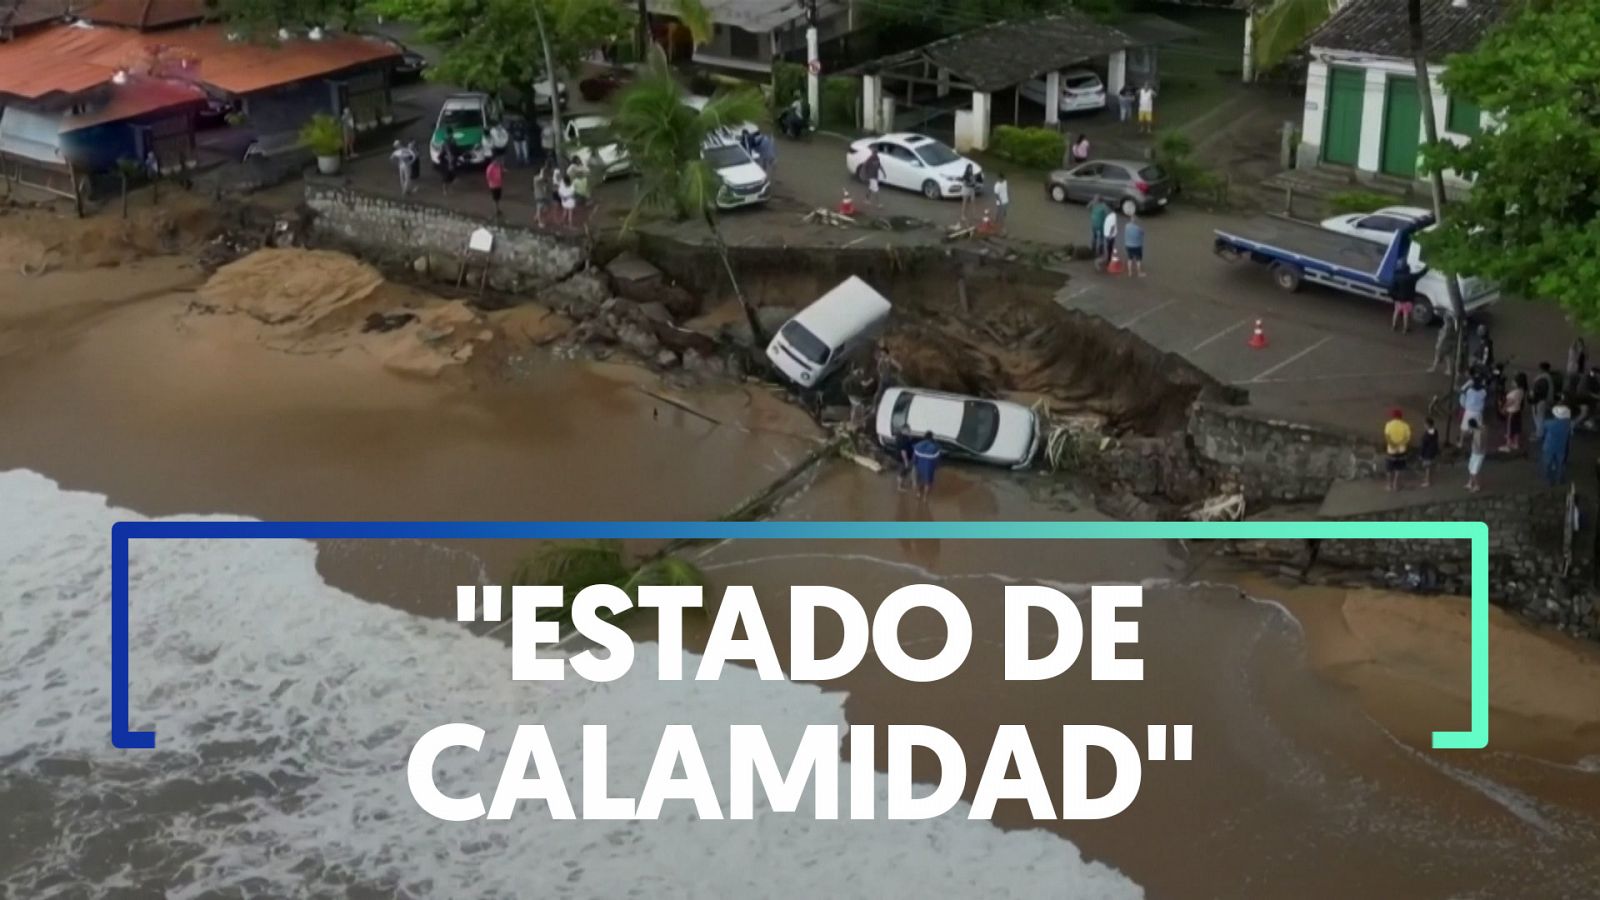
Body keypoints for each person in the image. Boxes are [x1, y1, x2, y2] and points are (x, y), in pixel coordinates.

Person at [1541, 401, 1573, 485]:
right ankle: (1560, 479)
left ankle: (1550, 480)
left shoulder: (1549, 423)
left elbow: (1543, 429)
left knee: (1548, 463)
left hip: (1549, 447)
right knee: (1560, 464)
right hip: (1561, 447)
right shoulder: (1568, 424)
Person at [1382, 408, 1411, 492]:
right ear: (1401, 417)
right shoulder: (1406, 425)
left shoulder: (1388, 424)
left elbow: (1387, 437)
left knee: (1389, 468)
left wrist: (1392, 444)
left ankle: (1389, 485)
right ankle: (1396, 485)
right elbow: (1407, 438)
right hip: (1402, 450)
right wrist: (1400, 444)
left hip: (1391, 450)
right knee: (1399, 468)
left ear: (1393, 416)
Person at [1500, 371, 1527, 453]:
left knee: (1509, 429)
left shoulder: (1514, 393)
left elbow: (1510, 402)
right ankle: (1516, 443)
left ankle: (1508, 445)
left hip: (1511, 412)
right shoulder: (1521, 391)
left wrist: (1503, 408)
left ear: (1517, 383)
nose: (1512, 382)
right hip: (1517, 411)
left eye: (1514, 381)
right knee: (1516, 429)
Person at [912, 431, 942, 501]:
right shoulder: (935, 448)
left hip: (919, 467)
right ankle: (925, 497)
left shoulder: (917, 446)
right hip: (929, 469)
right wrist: (936, 467)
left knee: (919, 481)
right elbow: (937, 461)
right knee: (927, 483)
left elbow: (914, 459)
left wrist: (914, 465)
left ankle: (918, 493)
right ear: (931, 438)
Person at [1458, 376, 1487, 447]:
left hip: (1469, 411)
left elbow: (1462, 391)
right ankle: (1475, 444)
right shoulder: (1483, 392)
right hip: (1478, 412)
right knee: (1477, 429)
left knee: (1464, 428)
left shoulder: (1469, 391)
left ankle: (1461, 443)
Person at [1390, 262, 1418, 333]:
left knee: (1396, 312)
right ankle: (1405, 328)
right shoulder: (1412, 277)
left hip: (1398, 299)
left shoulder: (1397, 277)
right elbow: (1421, 273)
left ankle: (1394, 326)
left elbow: (1392, 289)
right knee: (1406, 314)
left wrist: (1394, 298)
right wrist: (1427, 267)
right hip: (1408, 300)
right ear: (1408, 270)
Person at [1531, 361, 1555, 440]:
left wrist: (1533, 396)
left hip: (1539, 401)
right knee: (1540, 418)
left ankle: (1539, 435)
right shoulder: (1548, 377)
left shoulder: (1543, 378)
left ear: (1541, 368)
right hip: (1543, 400)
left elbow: (1539, 391)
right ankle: (1539, 432)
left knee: (1539, 418)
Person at [1464, 417, 1486, 492]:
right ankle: (1470, 482)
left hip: (1478, 454)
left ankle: (1477, 486)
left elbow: (1479, 446)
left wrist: (1472, 440)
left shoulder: (1477, 434)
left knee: (1474, 471)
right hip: (1474, 453)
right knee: (1470, 468)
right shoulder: (1479, 429)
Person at [1418, 417, 1440, 488]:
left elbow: (1423, 445)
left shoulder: (1427, 434)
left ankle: (1428, 482)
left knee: (1427, 467)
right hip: (1433, 451)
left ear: (1427, 424)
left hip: (1428, 452)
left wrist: (1421, 454)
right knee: (1430, 466)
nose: (1424, 425)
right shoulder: (1435, 431)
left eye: (1425, 424)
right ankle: (1428, 479)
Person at [1088, 196, 1108, 262]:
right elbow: (1107, 213)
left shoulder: (1093, 204)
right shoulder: (1103, 206)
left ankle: (1093, 249)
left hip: (1094, 224)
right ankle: (1100, 251)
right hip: (1101, 225)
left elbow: (1088, 208)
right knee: (1101, 238)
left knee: (1094, 237)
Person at [1101, 206, 1119, 271]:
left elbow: (1113, 227)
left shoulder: (1112, 217)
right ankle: (1109, 258)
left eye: (1107, 209)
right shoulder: (1112, 215)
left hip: (1110, 236)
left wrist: (1110, 236)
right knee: (1109, 247)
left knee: (1109, 247)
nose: (1106, 210)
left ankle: (1109, 260)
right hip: (1108, 235)